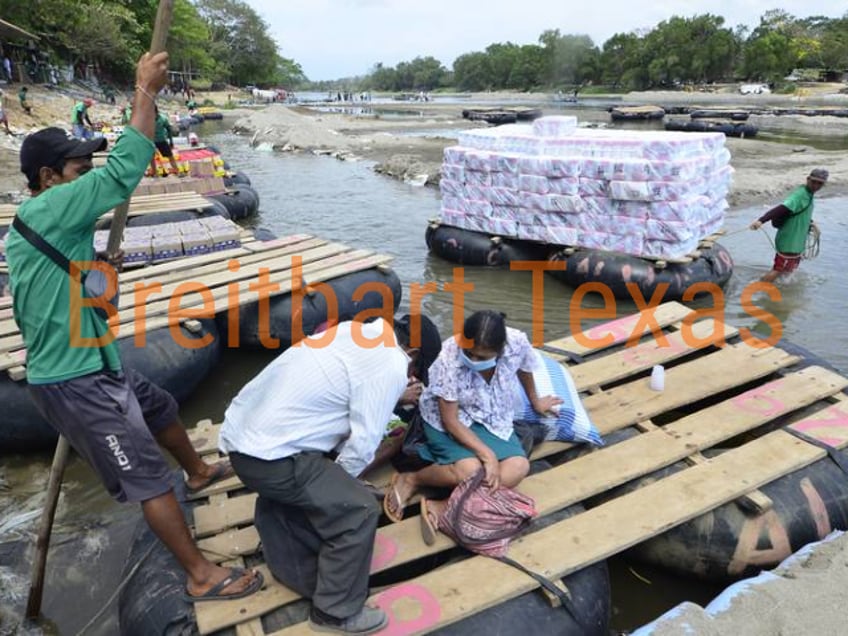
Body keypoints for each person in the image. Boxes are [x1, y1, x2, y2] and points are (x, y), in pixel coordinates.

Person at [5, 51, 262, 603]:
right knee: (146, 475)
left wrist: (101, 276)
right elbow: (126, 168)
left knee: (162, 410)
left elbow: (81, 301)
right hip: (74, 381)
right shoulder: (48, 210)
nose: (87, 178)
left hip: (98, 358)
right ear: (49, 178)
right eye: (77, 171)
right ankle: (199, 575)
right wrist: (145, 90)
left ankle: (195, 471)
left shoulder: (47, 224)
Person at [219, 314, 442, 635]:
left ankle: (290, 568)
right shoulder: (392, 362)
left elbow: (349, 382)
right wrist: (339, 491)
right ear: (414, 353)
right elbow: (363, 444)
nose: (409, 378)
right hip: (270, 459)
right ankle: (335, 613)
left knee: (308, 492)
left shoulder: (354, 332)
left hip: (244, 443)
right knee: (358, 509)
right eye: (414, 373)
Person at [383, 310, 562, 541]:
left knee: (518, 467)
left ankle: (445, 506)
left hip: (491, 415)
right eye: (470, 354)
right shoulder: (449, 356)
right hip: (447, 421)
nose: (474, 361)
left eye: (482, 357)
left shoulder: (516, 342)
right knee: (470, 470)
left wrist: (536, 401)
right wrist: (487, 455)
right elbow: (450, 420)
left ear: (499, 351)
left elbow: (524, 368)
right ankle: (412, 479)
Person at [749, 168, 828, 283]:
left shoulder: (809, 195)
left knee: (789, 270)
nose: (816, 185)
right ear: (808, 179)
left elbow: (800, 211)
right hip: (789, 240)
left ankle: (778, 290)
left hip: (797, 241)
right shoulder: (800, 195)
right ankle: (756, 287)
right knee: (778, 270)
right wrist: (761, 220)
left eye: (819, 183)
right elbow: (782, 208)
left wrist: (811, 222)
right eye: (813, 182)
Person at [150, 104, 179, 177]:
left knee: (170, 155)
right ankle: (154, 171)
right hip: (151, 141)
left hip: (161, 140)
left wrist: (171, 141)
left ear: (156, 112)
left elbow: (169, 129)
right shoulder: (147, 119)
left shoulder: (163, 119)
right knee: (150, 157)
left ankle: (175, 169)